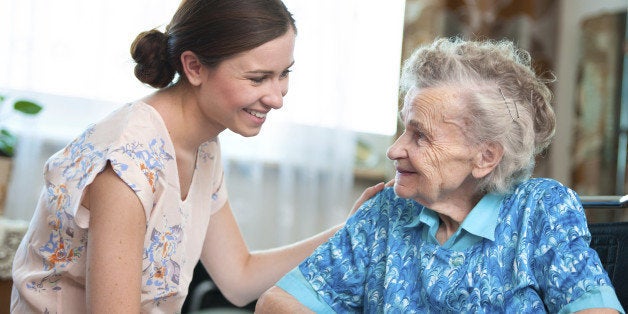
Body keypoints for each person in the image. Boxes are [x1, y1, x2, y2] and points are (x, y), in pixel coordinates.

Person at [10, 0, 385, 312]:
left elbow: (239, 278)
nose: (277, 97)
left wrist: (349, 232)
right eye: (257, 79)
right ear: (194, 67)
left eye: (283, 74)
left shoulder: (202, 145)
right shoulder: (127, 164)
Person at [256, 37, 625, 313]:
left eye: (420, 135)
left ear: (484, 157)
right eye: (404, 129)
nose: (395, 150)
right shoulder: (386, 211)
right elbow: (275, 304)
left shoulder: (541, 210)